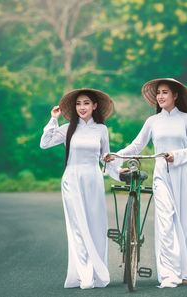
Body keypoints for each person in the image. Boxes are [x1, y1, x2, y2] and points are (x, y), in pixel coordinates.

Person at [106, 78, 187, 288]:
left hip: (183, 173)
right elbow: (137, 145)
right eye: (158, 93)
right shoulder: (152, 121)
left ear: (175, 96)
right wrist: (116, 155)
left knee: (185, 222)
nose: (161, 96)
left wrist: (177, 154)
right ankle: (169, 274)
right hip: (161, 173)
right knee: (165, 221)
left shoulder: (186, 120)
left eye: (165, 92)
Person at [40, 88, 119, 289]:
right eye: (78, 104)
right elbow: (45, 143)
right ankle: (84, 276)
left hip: (93, 180)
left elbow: (106, 158)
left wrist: (119, 172)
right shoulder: (68, 129)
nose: (81, 107)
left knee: (95, 227)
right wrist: (53, 119)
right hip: (72, 180)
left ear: (94, 106)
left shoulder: (101, 129)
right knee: (78, 228)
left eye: (86, 103)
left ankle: (95, 272)